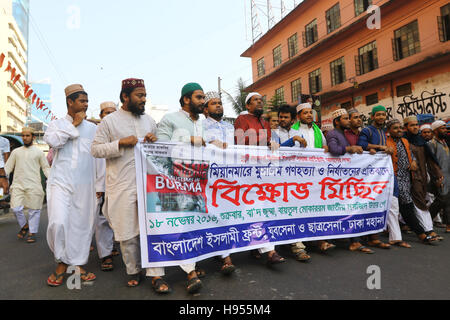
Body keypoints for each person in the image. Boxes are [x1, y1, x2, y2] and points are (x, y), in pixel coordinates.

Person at [44, 84, 97, 287]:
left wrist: (100, 185)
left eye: (86, 101)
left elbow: (98, 158)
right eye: (82, 101)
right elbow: (54, 142)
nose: (85, 104)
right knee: (58, 222)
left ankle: (77, 264)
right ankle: (61, 261)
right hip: (60, 182)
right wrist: (73, 125)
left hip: (85, 184)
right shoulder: (56, 124)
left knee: (81, 226)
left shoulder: (93, 128)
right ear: (70, 102)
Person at [234, 92, 285, 265]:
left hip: (263, 172)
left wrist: (272, 143)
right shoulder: (242, 120)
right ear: (248, 105)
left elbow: (270, 141)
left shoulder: (264, 122)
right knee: (251, 209)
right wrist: (263, 142)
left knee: (261, 209)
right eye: (255, 100)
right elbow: (241, 140)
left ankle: (266, 249)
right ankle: (265, 249)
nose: (259, 103)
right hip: (247, 171)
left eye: (261, 100)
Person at [325, 109, 374, 253]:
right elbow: (334, 149)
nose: (348, 121)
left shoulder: (343, 134)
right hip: (337, 178)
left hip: (346, 176)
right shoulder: (332, 134)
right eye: (345, 119)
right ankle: (351, 241)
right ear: (337, 121)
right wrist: (349, 148)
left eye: (348, 118)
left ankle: (354, 240)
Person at [386, 119, 438, 245]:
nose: (399, 130)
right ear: (389, 130)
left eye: (400, 128)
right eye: (395, 128)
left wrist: (413, 161)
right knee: (406, 206)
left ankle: (413, 233)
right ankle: (421, 234)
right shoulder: (385, 142)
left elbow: (410, 154)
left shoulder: (405, 141)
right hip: (392, 178)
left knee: (404, 207)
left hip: (407, 177)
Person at [291, 103, 335, 253]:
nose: (309, 115)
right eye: (305, 113)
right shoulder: (293, 130)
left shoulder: (317, 130)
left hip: (316, 175)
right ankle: (298, 245)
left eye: (311, 112)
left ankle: (320, 240)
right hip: (297, 176)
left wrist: (326, 148)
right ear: (299, 116)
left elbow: (325, 146)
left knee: (316, 208)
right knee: (298, 209)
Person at [203, 91, 236, 274]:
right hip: (211, 176)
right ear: (206, 109)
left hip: (230, 176)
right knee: (215, 214)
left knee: (229, 213)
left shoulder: (230, 126)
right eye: (214, 103)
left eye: (220, 103)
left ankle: (224, 251)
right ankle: (225, 256)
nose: (218, 106)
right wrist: (211, 142)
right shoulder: (200, 126)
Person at [5, 127, 50, 243]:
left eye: (27, 135)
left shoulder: (39, 152)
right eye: (23, 135)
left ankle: (32, 233)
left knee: (34, 210)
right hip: (18, 185)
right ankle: (25, 226)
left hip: (34, 185)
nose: (24, 138)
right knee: (15, 208)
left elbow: (45, 168)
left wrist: (52, 180)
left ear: (33, 137)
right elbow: (8, 167)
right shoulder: (16, 152)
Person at [357, 105, 392, 249]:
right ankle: (367, 237)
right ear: (372, 117)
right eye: (378, 115)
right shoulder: (367, 130)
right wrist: (380, 148)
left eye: (383, 115)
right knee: (367, 202)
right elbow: (362, 144)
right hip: (368, 173)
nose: (381, 117)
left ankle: (374, 237)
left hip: (380, 173)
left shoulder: (383, 131)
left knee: (378, 202)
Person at [403, 116, 443, 240]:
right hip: (410, 178)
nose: (415, 127)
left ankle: (413, 226)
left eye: (416, 125)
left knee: (416, 203)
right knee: (419, 202)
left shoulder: (421, 142)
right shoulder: (403, 141)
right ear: (406, 127)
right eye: (412, 125)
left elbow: (431, 161)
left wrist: (438, 176)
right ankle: (428, 230)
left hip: (423, 177)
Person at [92, 102, 118, 272]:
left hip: (120, 182)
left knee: (118, 218)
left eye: (112, 112)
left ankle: (111, 247)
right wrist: (98, 185)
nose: (109, 115)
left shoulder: (121, 130)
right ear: (101, 116)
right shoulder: (95, 134)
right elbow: (95, 161)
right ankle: (105, 255)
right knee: (102, 220)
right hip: (101, 183)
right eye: (106, 112)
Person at [428, 120, 450, 233]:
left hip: (448, 176)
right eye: (442, 128)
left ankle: (448, 225)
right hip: (440, 177)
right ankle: (426, 219)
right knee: (441, 200)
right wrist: (436, 178)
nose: (445, 130)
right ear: (435, 130)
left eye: (445, 128)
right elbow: (431, 163)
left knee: (447, 201)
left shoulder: (445, 142)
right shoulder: (432, 143)